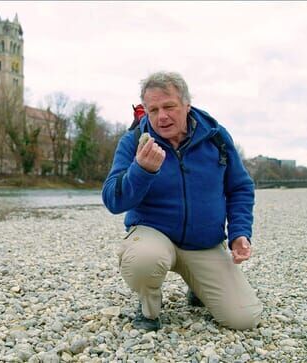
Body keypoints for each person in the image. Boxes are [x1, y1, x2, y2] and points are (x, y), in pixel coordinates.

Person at [102, 71, 262, 331]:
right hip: (154, 235)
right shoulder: (133, 141)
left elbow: (240, 188)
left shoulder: (216, 137)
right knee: (144, 260)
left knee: (244, 319)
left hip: (203, 243)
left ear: (187, 105)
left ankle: (197, 285)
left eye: (169, 106)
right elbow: (112, 200)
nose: (161, 116)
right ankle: (149, 310)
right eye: (152, 110)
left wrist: (239, 233)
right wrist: (141, 171)